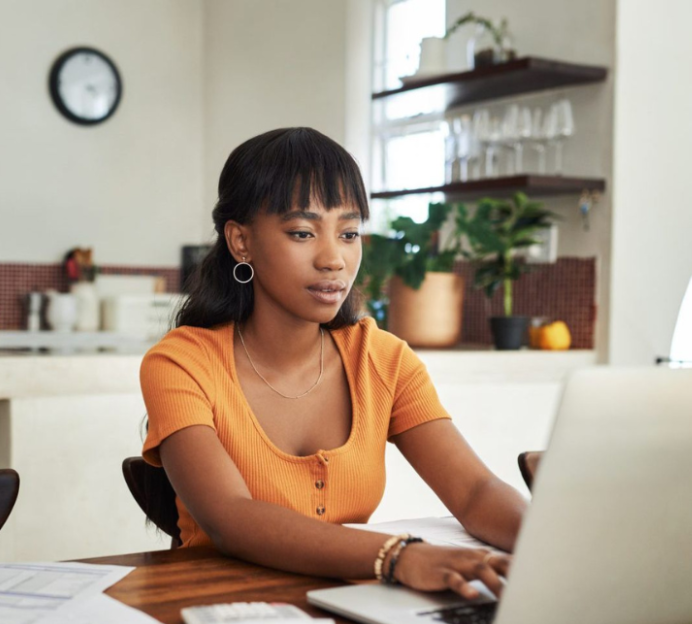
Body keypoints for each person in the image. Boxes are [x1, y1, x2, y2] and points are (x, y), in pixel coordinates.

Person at [139, 127, 527, 600]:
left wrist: (552, 546)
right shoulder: (181, 363)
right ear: (241, 242)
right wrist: (397, 556)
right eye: (302, 233)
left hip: (352, 617)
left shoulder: (382, 360)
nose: (334, 260)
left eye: (349, 233)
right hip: (218, 622)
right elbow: (230, 517)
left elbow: (475, 492)